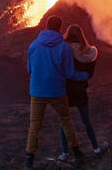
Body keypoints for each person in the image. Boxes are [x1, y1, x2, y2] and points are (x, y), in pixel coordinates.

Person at [24, 16, 89, 170]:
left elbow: (29, 69)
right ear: (60, 28)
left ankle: (29, 160)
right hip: (57, 91)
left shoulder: (33, 46)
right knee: (66, 120)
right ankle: (77, 154)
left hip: (37, 91)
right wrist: (84, 76)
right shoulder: (64, 47)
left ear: (46, 26)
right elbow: (69, 73)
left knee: (34, 126)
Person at [58, 24, 108, 162]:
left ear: (67, 34)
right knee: (86, 121)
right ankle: (96, 149)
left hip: (65, 90)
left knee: (64, 122)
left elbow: (60, 68)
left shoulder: (63, 49)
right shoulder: (88, 52)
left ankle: (64, 153)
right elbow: (89, 73)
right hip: (80, 91)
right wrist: (82, 77)